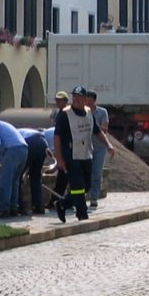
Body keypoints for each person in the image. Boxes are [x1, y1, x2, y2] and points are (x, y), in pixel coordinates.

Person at [53, 86, 111, 223]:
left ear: (85, 99)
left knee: (86, 186)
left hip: (86, 155)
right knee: (77, 186)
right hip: (71, 156)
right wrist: (59, 159)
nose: (76, 99)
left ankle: (63, 203)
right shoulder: (64, 114)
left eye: (79, 97)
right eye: (74, 97)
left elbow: (97, 131)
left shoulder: (88, 112)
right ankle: (82, 214)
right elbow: (57, 137)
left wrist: (108, 145)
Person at [85, 90, 115, 209]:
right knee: (85, 172)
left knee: (96, 172)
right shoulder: (83, 112)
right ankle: (83, 196)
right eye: (86, 101)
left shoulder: (102, 112)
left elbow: (105, 128)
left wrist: (93, 125)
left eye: (90, 101)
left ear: (94, 101)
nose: (88, 103)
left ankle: (94, 198)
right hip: (86, 146)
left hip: (99, 146)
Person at [17, 128, 49, 214]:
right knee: (35, 176)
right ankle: (38, 207)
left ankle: (19, 206)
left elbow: (16, 150)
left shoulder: (12, 136)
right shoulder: (20, 131)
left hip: (31, 142)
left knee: (17, 176)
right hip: (43, 143)